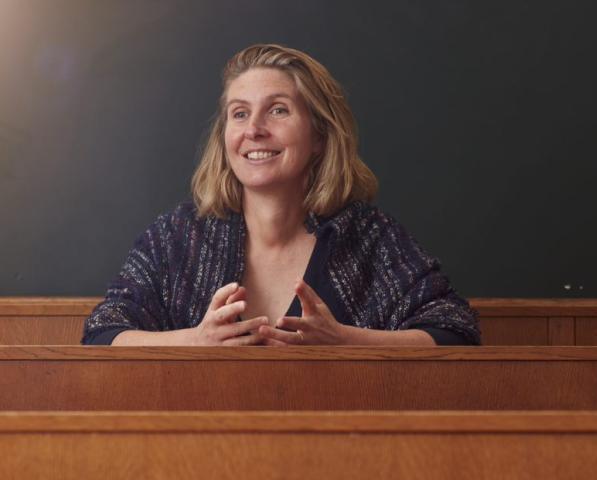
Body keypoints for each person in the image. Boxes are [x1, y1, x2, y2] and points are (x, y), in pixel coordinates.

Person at [82, 43, 479, 346]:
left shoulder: (369, 239)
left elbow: (455, 331)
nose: (254, 129)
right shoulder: (176, 238)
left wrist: (348, 341)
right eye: (239, 113)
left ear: (320, 136)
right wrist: (193, 341)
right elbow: (103, 334)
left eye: (278, 110)